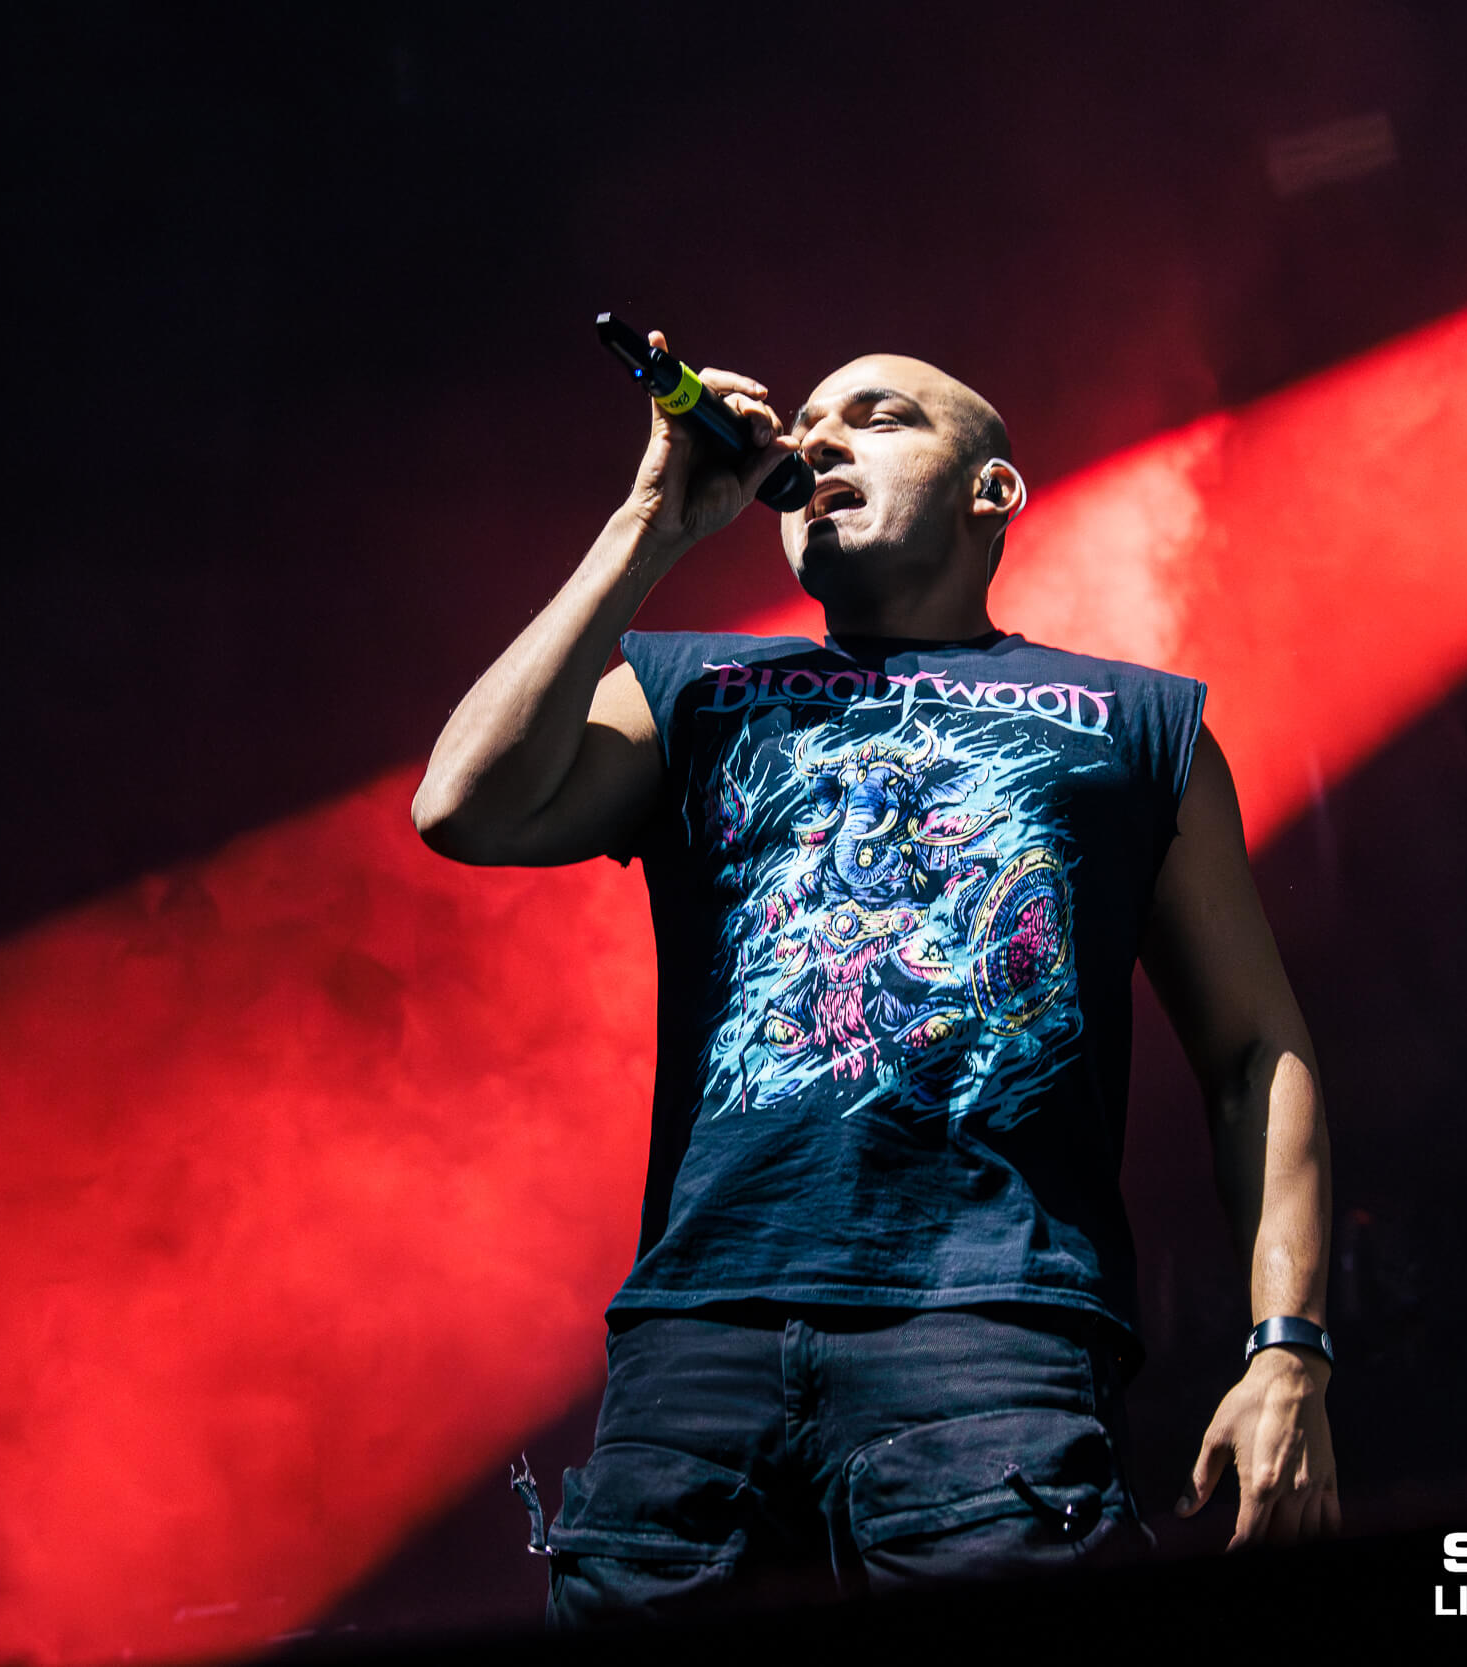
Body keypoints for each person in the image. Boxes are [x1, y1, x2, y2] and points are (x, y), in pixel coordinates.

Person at [412, 331, 1335, 1622]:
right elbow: (464, 809)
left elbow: (1253, 1055)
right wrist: (647, 529)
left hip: (992, 1333)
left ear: (991, 491)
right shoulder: (693, 687)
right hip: (700, 1336)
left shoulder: (1138, 721)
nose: (818, 439)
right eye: (807, 422)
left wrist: (1288, 1350)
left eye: (879, 416)